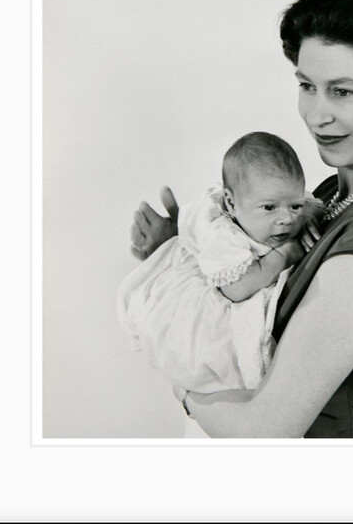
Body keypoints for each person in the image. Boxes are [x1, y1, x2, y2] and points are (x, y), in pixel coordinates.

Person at [130, 0, 353, 438]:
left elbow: (263, 433)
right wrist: (182, 255)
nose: (316, 115)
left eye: (342, 91)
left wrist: (183, 382)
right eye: (307, 86)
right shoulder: (333, 194)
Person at [118, 132, 321, 397]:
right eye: (269, 207)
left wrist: (309, 218)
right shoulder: (223, 235)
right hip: (207, 307)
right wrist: (284, 255)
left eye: (294, 205)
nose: (286, 219)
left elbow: (312, 207)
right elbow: (237, 289)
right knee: (218, 353)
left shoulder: (272, 205)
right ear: (231, 203)